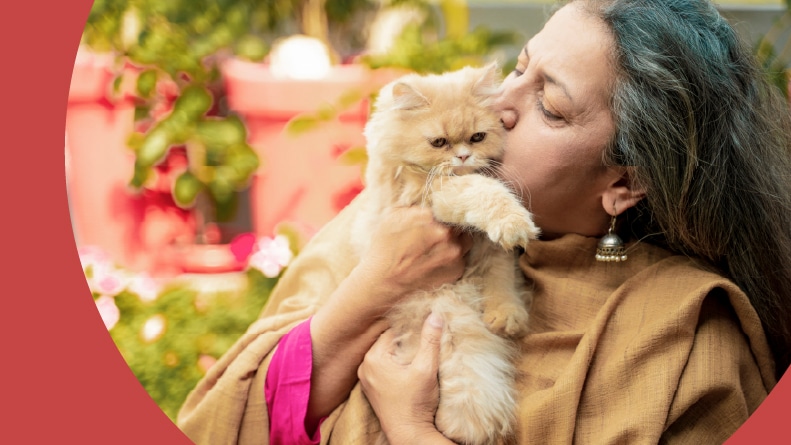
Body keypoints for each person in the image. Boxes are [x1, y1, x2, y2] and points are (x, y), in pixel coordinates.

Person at [176, 0, 791, 443]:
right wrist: (373, 288)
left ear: (624, 184)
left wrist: (411, 428)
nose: (501, 106)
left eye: (550, 105)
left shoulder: (689, 337)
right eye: (519, 69)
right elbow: (220, 420)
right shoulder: (394, 217)